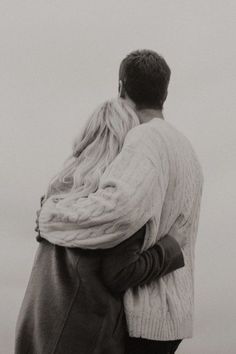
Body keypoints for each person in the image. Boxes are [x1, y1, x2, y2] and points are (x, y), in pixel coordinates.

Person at [37, 49, 204, 353]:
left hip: (144, 318)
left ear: (120, 88)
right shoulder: (188, 150)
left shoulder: (143, 139)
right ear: (164, 92)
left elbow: (116, 213)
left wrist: (53, 214)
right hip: (175, 315)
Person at [15, 98, 185, 354]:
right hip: (85, 337)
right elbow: (120, 272)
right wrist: (170, 247)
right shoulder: (118, 199)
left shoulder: (61, 186)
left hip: (37, 326)